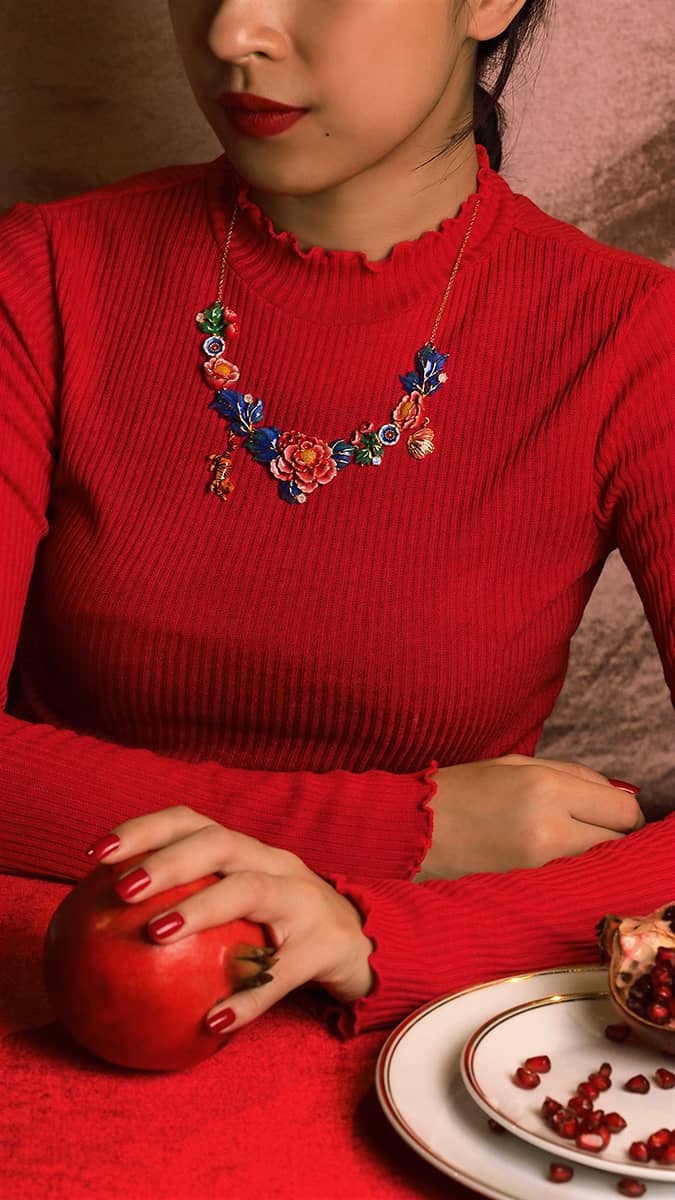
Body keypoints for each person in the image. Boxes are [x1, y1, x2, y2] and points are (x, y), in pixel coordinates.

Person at [1, 0, 673, 1042]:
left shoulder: (629, 338)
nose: (233, 32)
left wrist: (369, 927)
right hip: (50, 1004)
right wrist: (410, 830)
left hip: (431, 1039)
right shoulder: (43, 277)